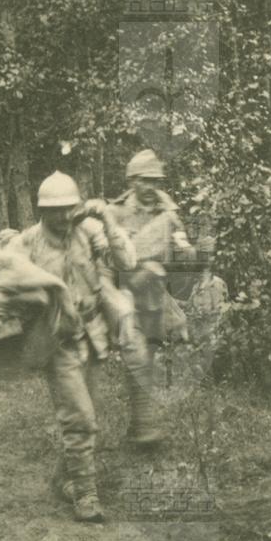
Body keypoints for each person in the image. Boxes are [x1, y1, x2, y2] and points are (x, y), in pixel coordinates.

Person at [6, 170, 137, 523]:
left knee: (86, 413)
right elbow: (6, 286)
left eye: (69, 208)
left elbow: (127, 262)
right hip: (56, 340)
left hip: (92, 335)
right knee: (80, 418)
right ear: (42, 211)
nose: (64, 216)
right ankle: (85, 492)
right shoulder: (26, 244)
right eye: (55, 210)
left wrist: (107, 219)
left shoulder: (89, 232)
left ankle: (61, 479)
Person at [105, 149, 197, 433]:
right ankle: (145, 425)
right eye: (144, 180)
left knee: (148, 354)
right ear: (131, 181)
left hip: (155, 295)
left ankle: (139, 424)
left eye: (155, 181)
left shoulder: (168, 214)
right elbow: (105, 259)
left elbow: (182, 252)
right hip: (124, 292)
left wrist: (185, 253)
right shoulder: (116, 213)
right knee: (136, 352)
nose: (150, 187)